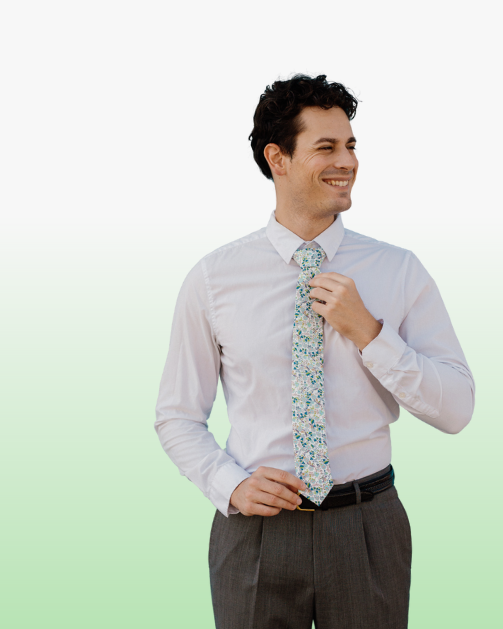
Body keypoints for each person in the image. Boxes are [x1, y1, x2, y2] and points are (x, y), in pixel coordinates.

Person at [155, 74, 475, 629]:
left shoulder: (397, 271)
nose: (346, 161)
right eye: (326, 147)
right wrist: (228, 484)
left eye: (350, 145)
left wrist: (371, 334)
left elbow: (457, 408)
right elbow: (177, 415)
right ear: (276, 158)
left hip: (367, 526)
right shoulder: (213, 279)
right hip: (254, 532)